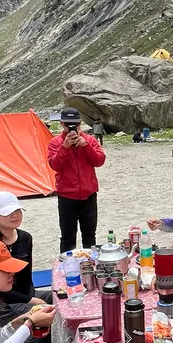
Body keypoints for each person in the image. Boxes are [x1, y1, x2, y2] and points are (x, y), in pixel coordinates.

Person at [0, 191, 52, 343]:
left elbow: (27, 277)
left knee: (61, 298)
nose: (15, 216)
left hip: (26, 294)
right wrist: (32, 301)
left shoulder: (25, 237)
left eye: (17, 211)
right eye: (8, 213)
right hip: (2, 302)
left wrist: (32, 297)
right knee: (41, 317)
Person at [47, 107, 106, 252]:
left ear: (80, 124)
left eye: (75, 124)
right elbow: (54, 165)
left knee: (89, 235)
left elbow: (99, 161)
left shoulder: (90, 140)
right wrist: (64, 147)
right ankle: (66, 268)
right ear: (62, 124)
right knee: (67, 236)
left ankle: (90, 266)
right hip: (67, 196)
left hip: (88, 195)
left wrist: (87, 147)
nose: (72, 127)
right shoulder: (55, 143)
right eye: (68, 125)